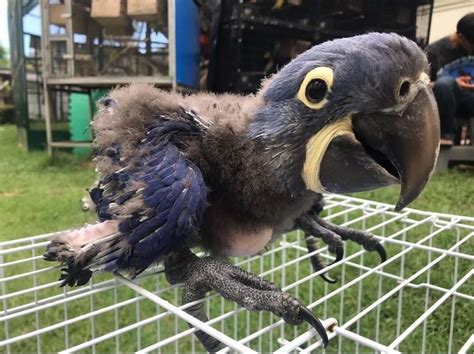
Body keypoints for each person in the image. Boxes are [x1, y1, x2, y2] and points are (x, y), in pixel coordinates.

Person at [426, 12, 474, 145]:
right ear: (461, 37)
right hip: (444, 101)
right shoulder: (434, 51)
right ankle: (446, 136)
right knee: (445, 83)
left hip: (469, 100)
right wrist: (456, 84)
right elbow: (422, 85)